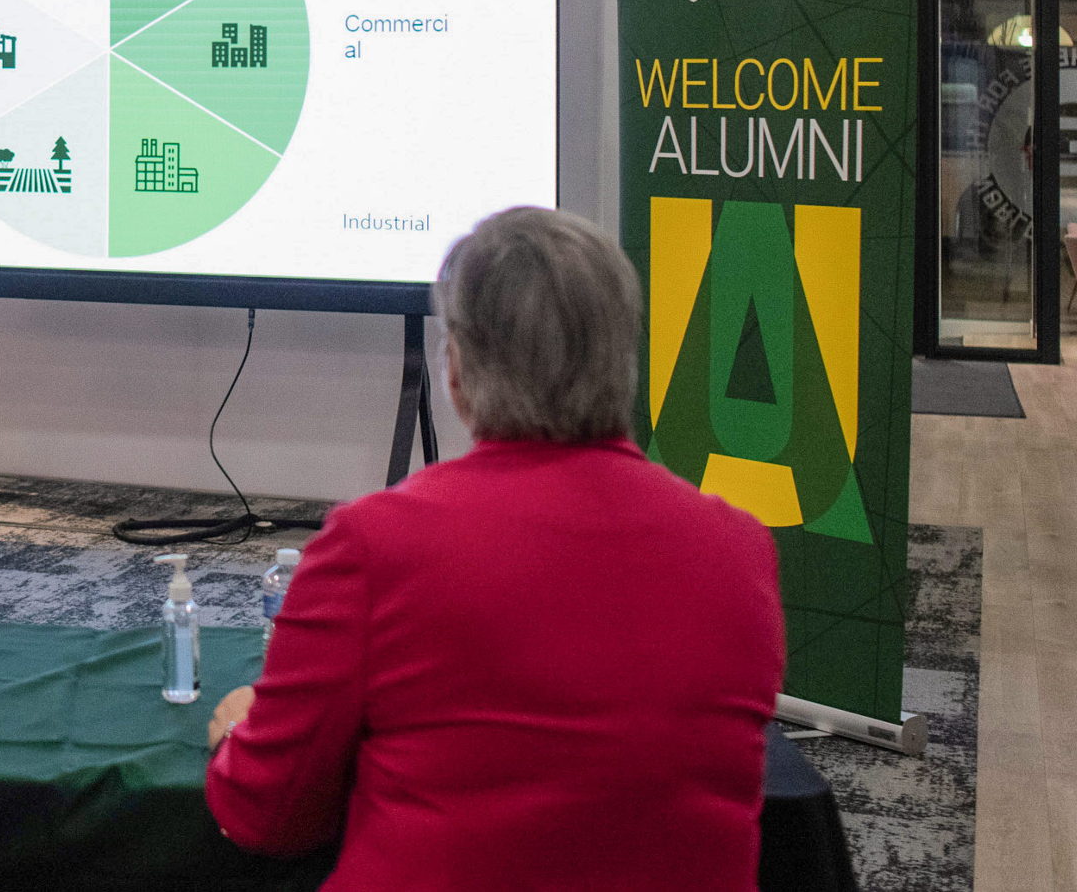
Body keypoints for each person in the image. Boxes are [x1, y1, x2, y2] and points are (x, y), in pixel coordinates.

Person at [203, 207, 783, 891]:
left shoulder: (373, 545)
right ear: (626, 358)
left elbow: (269, 815)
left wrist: (233, 736)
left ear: (455, 369)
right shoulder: (741, 550)